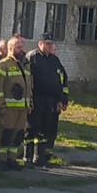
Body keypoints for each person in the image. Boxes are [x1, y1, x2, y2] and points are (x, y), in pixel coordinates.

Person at [24, 38, 69, 167]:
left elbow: (60, 81)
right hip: (37, 98)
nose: (50, 46)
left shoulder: (54, 60)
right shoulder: (33, 57)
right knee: (32, 128)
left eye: (51, 44)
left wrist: (60, 99)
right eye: (47, 44)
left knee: (45, 129)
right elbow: (27, 78)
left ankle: (40, 157)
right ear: (40, 44)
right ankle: (28, 157)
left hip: (51, 100)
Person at [0, 37, 30, 169]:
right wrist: (0, 105)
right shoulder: (3, 65)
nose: (21, 50)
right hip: (8, 108)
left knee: (18, 135)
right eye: (18, 47)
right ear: (10, 49)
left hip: (22, 109)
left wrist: (29, 103)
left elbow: (29, 87)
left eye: (21, 47)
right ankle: (0, 160)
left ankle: (12, 159)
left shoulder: (24, 65)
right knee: (5, 134)